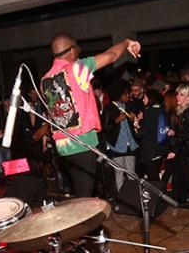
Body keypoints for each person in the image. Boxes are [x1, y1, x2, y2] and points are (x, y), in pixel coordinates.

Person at [40, 33, 141, 197]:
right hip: (82, 144)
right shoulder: (77, 68)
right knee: (85, 199)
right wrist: (127, 42)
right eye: (77, 48)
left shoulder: (45, 79)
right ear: (72, 50)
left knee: (81, 191)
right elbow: (111, 55)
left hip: (63, 148)